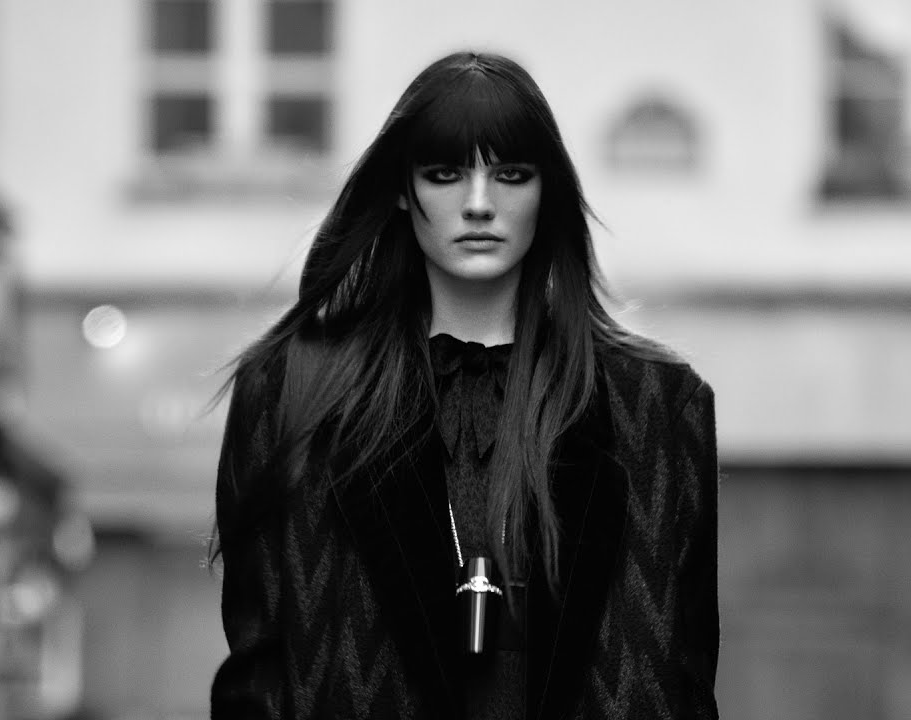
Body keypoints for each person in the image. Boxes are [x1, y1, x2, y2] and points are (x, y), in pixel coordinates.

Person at [209, 50, 720, 720]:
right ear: (401, 189)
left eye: (511, 175)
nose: (479, 205)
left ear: (547, 192)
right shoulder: (292, 393)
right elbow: (256, 684)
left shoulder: (655, 404)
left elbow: (684, 679)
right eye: (445, 175)